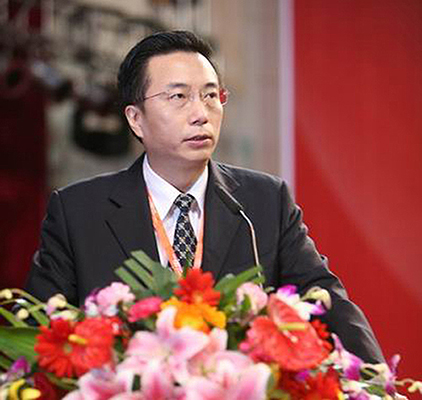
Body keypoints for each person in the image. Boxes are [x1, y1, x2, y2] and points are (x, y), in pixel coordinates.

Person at [25, 30, 384, 364]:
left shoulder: (264, 202)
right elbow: (38, 331)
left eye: (211, 96)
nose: (201, 114)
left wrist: (376, 381)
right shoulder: (78, 212)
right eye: (179, 97)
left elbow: (324, 299)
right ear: (135, 119)